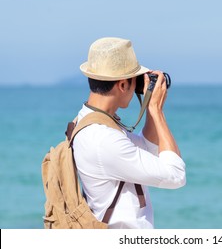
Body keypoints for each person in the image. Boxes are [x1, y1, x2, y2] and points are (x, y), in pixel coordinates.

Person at [73, 37, 186, 229]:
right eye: (135, 81)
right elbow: (175, 175)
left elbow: (148, 150)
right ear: (123, 85)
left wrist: (150, 108)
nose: (137, 87)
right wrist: (157, 112)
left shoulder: (90, 120)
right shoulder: (102, 139)